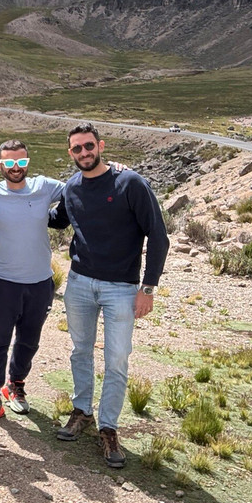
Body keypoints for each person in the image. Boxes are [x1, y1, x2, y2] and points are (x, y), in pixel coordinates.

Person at [51, 122, 169, 468]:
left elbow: (158, 236)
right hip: (79, 284)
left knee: (117, 359)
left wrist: (148, 288)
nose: (84, 153)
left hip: (121, 288)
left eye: (89, 146)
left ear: (100, 145)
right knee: (80, 351)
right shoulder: (72, 187)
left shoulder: (129, 183)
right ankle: (82, 411)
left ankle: (109, 427)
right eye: (77, 149)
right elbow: (56, 219)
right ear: (70, 153)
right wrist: (17, 200)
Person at [0, 140, 65, 425]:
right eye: (10, 163)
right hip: (2, 281)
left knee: (29, 341)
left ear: (28, 162)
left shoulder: (44, 186)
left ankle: (15, 385)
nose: (16, 168)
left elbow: (82, 185)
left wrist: (114, 169)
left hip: (40, 283)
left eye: (21, 162)